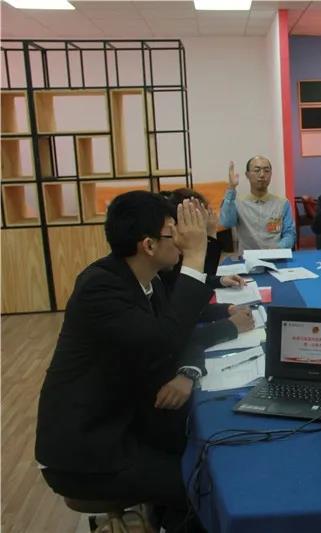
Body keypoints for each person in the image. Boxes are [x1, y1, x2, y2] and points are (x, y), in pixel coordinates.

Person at [36, 191, 212, 532]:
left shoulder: (146, 280)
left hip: (127, 422)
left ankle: (165, 518)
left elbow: (182, 329)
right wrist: (195, 254)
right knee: (201, 484)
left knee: (203, 449)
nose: (179, 239)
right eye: (172, 232)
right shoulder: (101, 287)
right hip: (87, 451)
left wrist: (187, 372)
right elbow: (166, 340)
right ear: (149, 245)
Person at [161, 188, 255, 349]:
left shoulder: (161, 272)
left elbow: (189, 303)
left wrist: (226, 309)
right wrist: (230, 326)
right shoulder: (158, 272)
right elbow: (171, 340)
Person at [220, 156, 296, 253]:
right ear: (247, 175)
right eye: (257, 170)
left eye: (266, 171)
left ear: (271, 174)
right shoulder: (237, 203)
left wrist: (279, 248)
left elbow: (290, 233)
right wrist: (231, 188)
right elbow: (226, 223)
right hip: (247, 258)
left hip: (276, 256)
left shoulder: (282, 203)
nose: (262, 175)